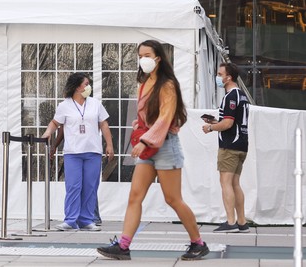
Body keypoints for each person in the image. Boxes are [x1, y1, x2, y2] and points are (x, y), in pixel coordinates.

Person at [97, 40, 209, 261]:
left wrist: (144, 141)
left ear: (158, 57)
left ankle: (198, 243)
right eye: (140, 55)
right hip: (150, 146)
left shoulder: (167, 85)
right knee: (135, 197)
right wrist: (139, 129)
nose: (143, 59)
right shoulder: (145, 82)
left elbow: (166, 119)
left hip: (165, 145)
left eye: (147, 54)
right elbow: (146, 118)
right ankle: (123, 245)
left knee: (173, 199)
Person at [41, 72, 113, 232]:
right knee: (73, 186)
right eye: (86, 84)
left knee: (90, 187)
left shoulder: (95, 103)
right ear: (76, 86)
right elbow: (55, 123)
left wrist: (109, 145)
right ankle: (70, 220)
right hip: (73, 152)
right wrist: (47, 134)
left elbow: (104, 125)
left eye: (89, 84)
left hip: (93, 151)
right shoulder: (64, 105)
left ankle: (87, 220)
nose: (88, 87)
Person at [202, 62, 250, 233]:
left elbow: (228, 123)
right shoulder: (242, 95)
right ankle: (242, 222)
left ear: (228, 77)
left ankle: (231, 222)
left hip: (230, 145)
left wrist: (210, 128)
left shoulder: (230, 96)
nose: (217, 77)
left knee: (226, 183)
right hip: (242, 144)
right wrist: (216, 122)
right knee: (235, 183)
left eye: (219, 74)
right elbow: (233, 121)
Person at [50, 126, 102, 226]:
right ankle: (88, 217)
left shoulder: (92, 110)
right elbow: (62, 129)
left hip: (83, 148)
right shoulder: (69, 111)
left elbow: (62, 129)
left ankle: (90, 217)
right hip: (78, 149)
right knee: (82, 185)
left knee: (85, 185)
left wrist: (54, 146)